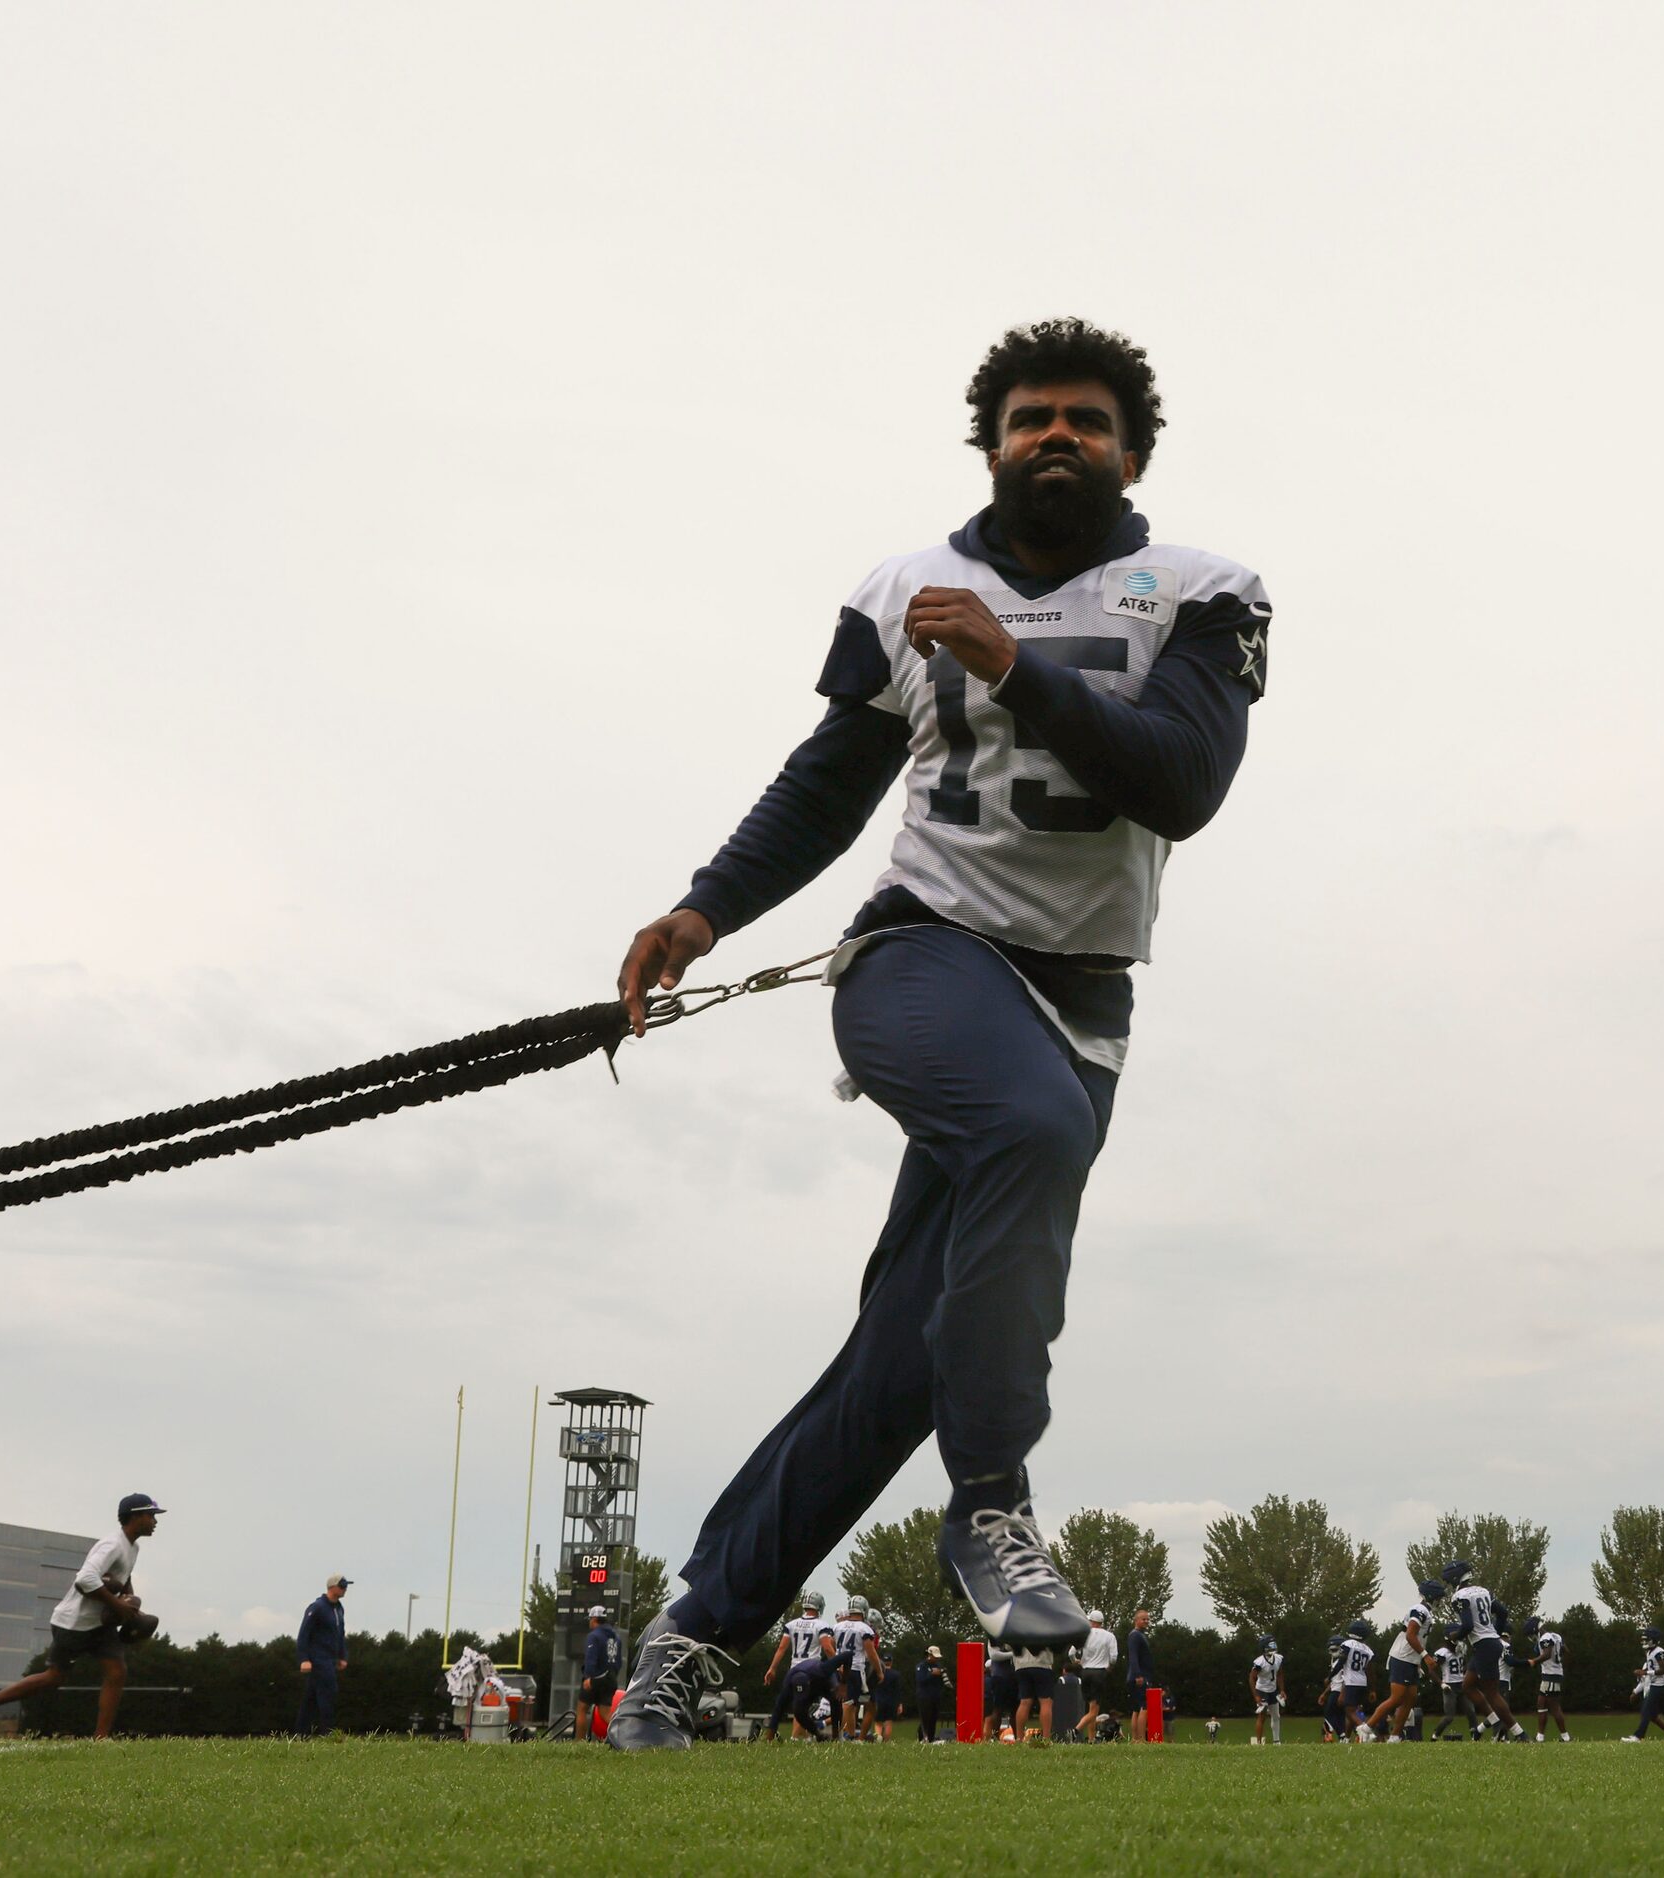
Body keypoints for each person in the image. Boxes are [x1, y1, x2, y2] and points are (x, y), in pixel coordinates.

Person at [604, 320, 1273, 1748]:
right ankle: (992, 1507)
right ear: (988, 443)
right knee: (1024, 1131)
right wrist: (704, 908)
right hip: (925, 955)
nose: (1056, 437)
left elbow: (1184, 780)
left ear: (1131, 451)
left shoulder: (1204, 592)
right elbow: (831, 777)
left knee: (903, 1360)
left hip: (1082, 1002)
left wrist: (1019, 671)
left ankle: (692, 1634)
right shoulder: (906, 586)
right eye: (1030, 417)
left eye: (1086, 421)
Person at [0, 1493, 163, 1740]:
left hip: (100, 1625)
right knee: (53, 1678)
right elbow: (84, 1580)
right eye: (151, 1515)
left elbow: (124, 1578)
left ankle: (101, 1739)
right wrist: (117, 1605)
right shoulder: (112, 1544)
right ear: (135, 1516)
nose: (155, 1521)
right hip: (73, 1624)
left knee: (117, 1671)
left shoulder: (133, 1547)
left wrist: (131, 1605)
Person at [1443, 1563, 1525, 1741]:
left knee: (1492, 1693)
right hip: (1489, 1642)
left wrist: (1454, 1637)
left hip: (1483, 1645)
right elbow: (1503, 1613)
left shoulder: (1460, 1596)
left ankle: (1520, 1734)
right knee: (1467, 1686)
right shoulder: (1483, 1590)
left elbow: (1467, 1625)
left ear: (1455, 1579)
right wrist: (1494, 1633)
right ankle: (1492, 1722)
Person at [1366, 1581, 1442, 1744]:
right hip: (1402, 1657)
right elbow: (1410, 1635)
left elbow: (1419, 1638)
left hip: (1410, 1659)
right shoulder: (1420, 1610)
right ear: (1431, 1596)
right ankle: (1366, 1728)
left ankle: (1395, 1736)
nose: (1440, 1601)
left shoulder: (1426, 1611)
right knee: (1397, 1698)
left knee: (1410, 1698)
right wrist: (1425, 1656)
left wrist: (1418, 1661)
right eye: (1438, 1597)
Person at [760, 1591, 831, 1738]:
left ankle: (780, 1736)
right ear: (819, 1606)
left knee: (783, 1704)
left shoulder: (792, 1624)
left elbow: (781, 1648)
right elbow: (827, 1648)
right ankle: (794, 1738)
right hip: (811, 1671)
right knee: (802, 1706)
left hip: (794, 1670)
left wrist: (772, 1668)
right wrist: (839, 1664)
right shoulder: (821, 1625)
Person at [293, 1573, 350, 1737]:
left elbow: (340, 1634)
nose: (345, 1589)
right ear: (332, 1587)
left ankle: (300, 1733)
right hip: (319, 1659)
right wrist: (304, 1659)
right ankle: (328, 1733)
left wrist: (342, 1656)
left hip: (331, 1659)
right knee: (329, 1693)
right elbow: (304, 1634)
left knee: (310, 1698)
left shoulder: (339, 1608)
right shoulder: (317, 1607)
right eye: (342, 1585)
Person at [831, 1594, 882, 1740]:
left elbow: (829, 1645)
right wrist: (879, 1671)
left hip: (839, 1668)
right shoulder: (864, 1628)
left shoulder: (837, 1626)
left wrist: (836, 1661)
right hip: (855, 1668)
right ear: (864, 1609)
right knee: (849, 1703)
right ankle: (845, 1736)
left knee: (851, 1704)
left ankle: (850, 1735)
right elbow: (871, 1652)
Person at [1624, 1625, 1664, 1742]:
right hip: (1657, 1685)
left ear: (1653, 1640)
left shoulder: (1659, 1652)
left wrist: (1645, 1672)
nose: (1644, 1641)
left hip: (1659, 1685)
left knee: (1646, 1711)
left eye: (1647, 1639)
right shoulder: (1650, 1652)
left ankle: (1638, 1736)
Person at [578, 1606, 622, 1740]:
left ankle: (578, 1743)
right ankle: (622, 1737)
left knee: (582, 1708)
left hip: (596, 1677)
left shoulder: (594, 1636)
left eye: (590, 1619)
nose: (590, 1622)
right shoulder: (616, 1637)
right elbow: (619, 1661)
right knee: (605, 1712)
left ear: (595, 1619)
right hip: (611, 1678)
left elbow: (591, 1658)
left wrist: (588, 1677)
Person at [1077, 1610, 1119, 1740]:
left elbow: (1072, 1653)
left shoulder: (1083, 1635)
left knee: (1091, 1706)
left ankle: (1091, 1738)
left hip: (1085, 1672)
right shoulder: (1109, 1636)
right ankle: (1076, 1730)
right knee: (1094, 1710)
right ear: (1101, 1622)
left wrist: (1077, 1662)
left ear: (1091, 1621)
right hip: (1099, 1672)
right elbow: (1113, 1657)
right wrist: (1109, 1667)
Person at [1528, 1616, 1570, 1742]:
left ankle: (1563, 1737)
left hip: (1550, 1674)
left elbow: (1546, 1654)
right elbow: (1566, 1650)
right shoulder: (1556, 1636)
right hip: (1554, 1673)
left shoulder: (1545, 1638)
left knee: (1552, 1706)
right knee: (1543, 1704)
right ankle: (1541, 1736)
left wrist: (1533, 1661)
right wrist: (1558, 1661)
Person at [1011, 1641, 1058, 1746]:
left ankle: (1019, 1739)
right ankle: (1046, 1738)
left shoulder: (1017, 1624)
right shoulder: (1046, 1624)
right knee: (1046, 1702)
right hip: (1042, 1663)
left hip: (1021, 1665)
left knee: (1024, 1702)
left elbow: (1008, 1645)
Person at [1338, 1619, 1377, 1740]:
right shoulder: (1368, 1650)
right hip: (1362, 1682)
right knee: (1350, 1709)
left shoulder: (1347, 1644)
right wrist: (1372, 1689)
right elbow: (1370, 1671)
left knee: (1349, 1711)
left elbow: (1341, 1662)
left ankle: (1365, 1731)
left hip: (1351, 1681)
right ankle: (1346, 1738)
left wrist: (1329, 1677)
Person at [1126, 1610, 1160, 1739]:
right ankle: (1140, 1739)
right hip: (1140, 1676)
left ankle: (1135, 1739)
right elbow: (1133, 1656)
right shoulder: (1135, 1635)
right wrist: (1138, 1675)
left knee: (1136, 1709)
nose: (1146, 1621)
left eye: (1147, 1619)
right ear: (1136, 1620)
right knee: (1144, 1707)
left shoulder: (1140, 1635)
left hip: (1137, 1675)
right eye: (1143, 1619)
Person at [1250, 1634, 1285, 1744]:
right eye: (1270, 1646)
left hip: (1273, 1690)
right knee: (1262, 1716)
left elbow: (1279, 1674)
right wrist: (1256, 1695)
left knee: (1276, 1715)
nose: (1273, 1647)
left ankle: (1276, 1741)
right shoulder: (1259, 1662)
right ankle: (1259, 1742)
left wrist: (1282, 1690)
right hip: (1262, 1690)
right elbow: (1251, 1678)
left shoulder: (1279, 1658)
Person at [1430, 1641, 1466, 1739]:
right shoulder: (1442, 1653)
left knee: (1471, 1711)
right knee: (1449, 1717)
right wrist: (1442, 1683)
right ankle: (1435, 1736)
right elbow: (1431, 1669)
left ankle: (1475, 1737)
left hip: (1462, 1684)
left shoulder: (1461, 1649)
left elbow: (1462, 1666)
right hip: (1450, 1686)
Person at [916, 1645, 947, 1744]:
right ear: (929, 1655)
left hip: (935, 1696)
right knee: (925, 1718)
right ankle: (923, 1738)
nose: (936, 1659)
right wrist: (931, 1674)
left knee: (933, 1717)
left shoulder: (938, 1666)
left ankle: (931, 1738)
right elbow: (920, 1680)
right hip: (924, 1696)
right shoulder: (921, 1666)